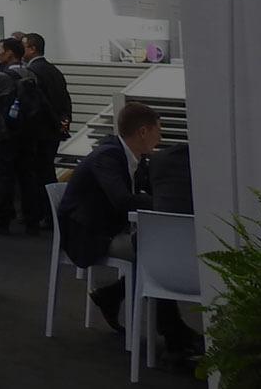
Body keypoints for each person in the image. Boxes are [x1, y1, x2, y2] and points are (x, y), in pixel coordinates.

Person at [61, 103, 200, 355]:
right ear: (143, 131)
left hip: (108, 228)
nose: (161, 137)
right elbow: (122, 200)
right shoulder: (107, 156)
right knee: (151, 250)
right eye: (158, 130)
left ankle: (116, 299)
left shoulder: (132, 158)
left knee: (152, 248)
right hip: (88, 234)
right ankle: (172, 331)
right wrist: (165, 203)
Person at [0, 37, 42, 233]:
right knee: (27, 178)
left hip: (5, 133)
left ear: (9, 53)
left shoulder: (2, 77)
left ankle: (2, 221)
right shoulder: (31, 74)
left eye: (0, 50)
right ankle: (32, 221)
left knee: (3, 177)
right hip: (27, 133)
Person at [22, 32, 72, 226]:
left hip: (39, 131)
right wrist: (64, 121)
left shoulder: (31, 72)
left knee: (39, 174)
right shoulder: (54, 71)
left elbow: (40, 104)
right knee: (48, 171)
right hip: (54, 131)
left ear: (33, 48)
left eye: (24, 46)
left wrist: (54, 121)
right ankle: (51, 214)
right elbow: (65, 99)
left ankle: (46, 214)